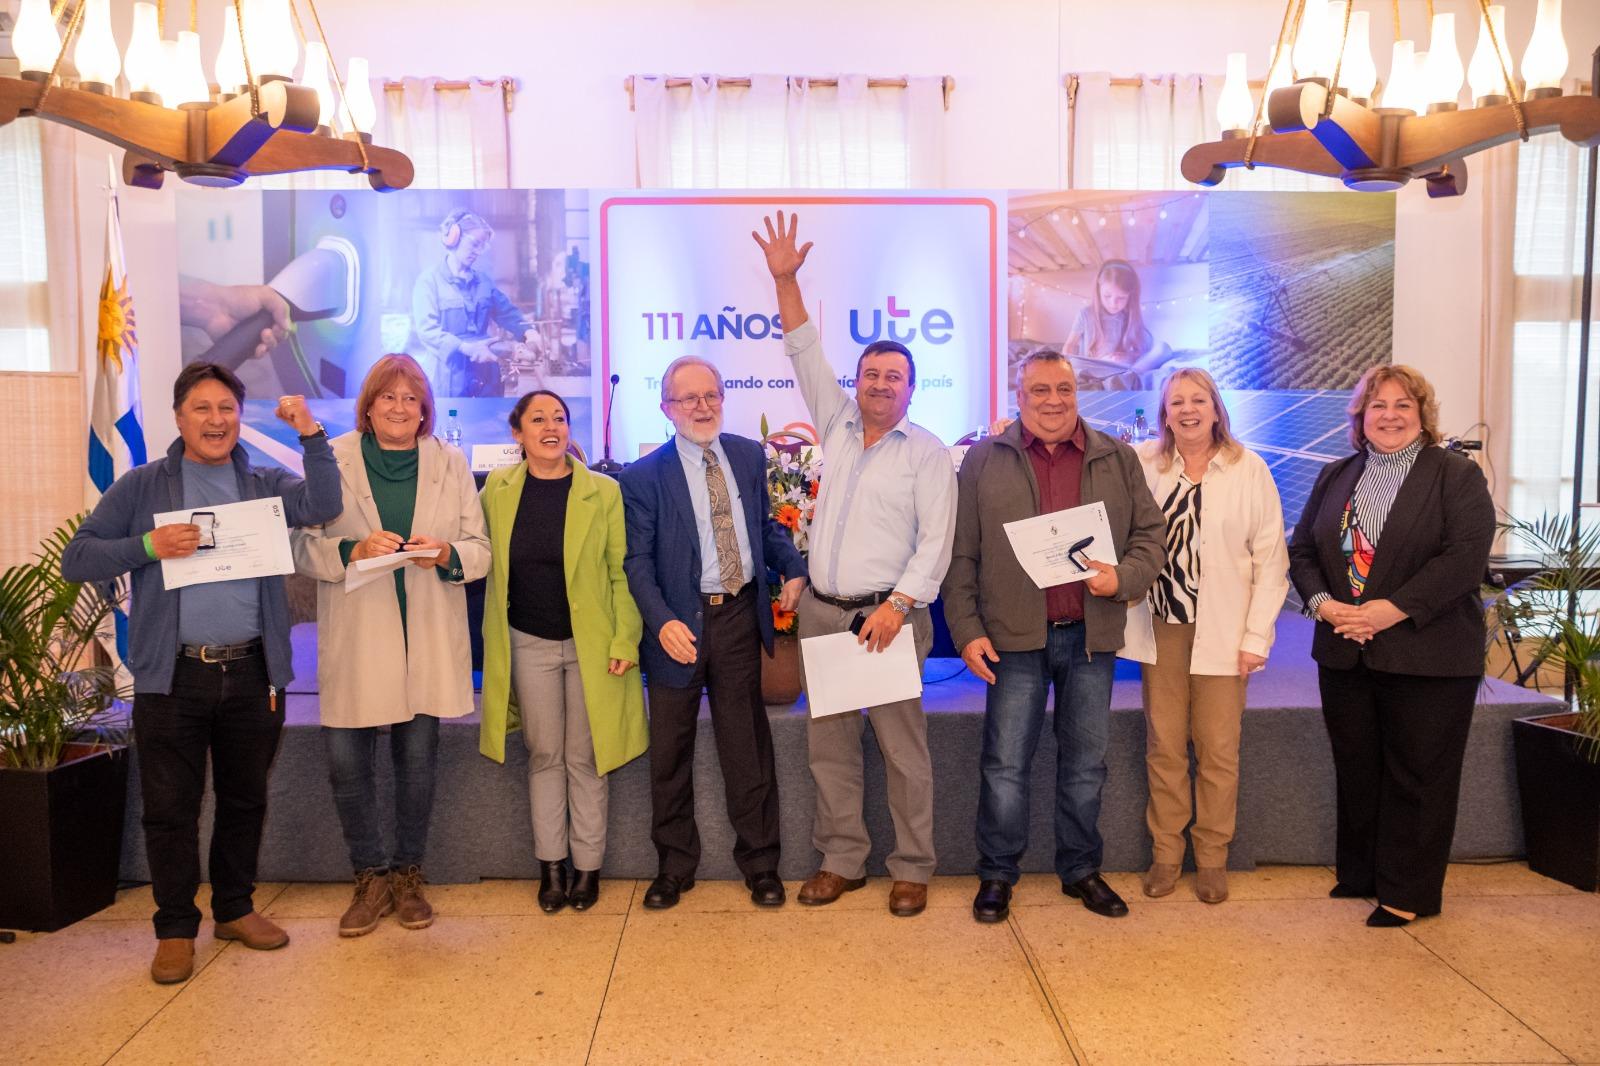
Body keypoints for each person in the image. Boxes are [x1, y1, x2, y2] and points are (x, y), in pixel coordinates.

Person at [61, 364, 340, 985]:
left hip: (251, 673)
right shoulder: (142, 486)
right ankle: (175, 929)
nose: (217, 421)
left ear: (238, 416)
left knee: (245, 799)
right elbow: (76, 558)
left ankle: (235, 910)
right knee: (169, 810)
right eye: (202, 409)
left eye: (227, 409)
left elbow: (324, 503)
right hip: (173, 679)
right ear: (179, 417)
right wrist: (148, 548)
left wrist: (311, 433)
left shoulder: (263, 482)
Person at [754, 212, 957, 918]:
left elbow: (936, 543)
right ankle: (842, 859)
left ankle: (912, 867)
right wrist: (786, 279)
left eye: (892, 376)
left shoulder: (927, 453)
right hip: (825, 615)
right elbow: (801, 345)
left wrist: (899, 608)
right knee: (830, 750)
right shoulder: (836, 423)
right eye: (869, 373)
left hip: (889, 618)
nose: (878, 384)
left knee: (903, 754)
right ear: (858, 380)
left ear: (910, 387)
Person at [941, 347, 1165, 924]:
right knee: (1004, 764)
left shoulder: (1116, 457)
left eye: (1063, 390)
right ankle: (996, 874)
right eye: (1039, 390)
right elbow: (962, 554)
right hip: (1013, 639)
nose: (1052, 401)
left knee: (1087, 763)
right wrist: (966, 631)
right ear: (1019, 398)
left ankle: (1082, 870)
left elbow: (1150, 536)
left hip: (1090, 638)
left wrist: (1125, 578)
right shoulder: (983, 460)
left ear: (1077, 393)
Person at [289, 354, 489, 937]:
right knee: (348, 764)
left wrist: (446, 553)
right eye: (389, 398)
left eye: (412, 399)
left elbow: (479, 549)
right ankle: (368, 876)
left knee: (417, 763)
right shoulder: (335, 459)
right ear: (369, 406)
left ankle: (407, 874)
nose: (401, 408)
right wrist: (352, 550)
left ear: (425, 408)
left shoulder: (448, 463)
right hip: (359, 633)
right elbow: (302, 549)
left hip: (424, 629)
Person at [1289, 365, 1495, 927]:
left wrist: (1389, 610)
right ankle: (1363, 872)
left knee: (1418, 774)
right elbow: (1302, 550)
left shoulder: (1455, 475)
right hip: (1344, 648)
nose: (1390, 415)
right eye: (1377, 405)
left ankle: (1408, 891)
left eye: (1403, 405)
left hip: (1428, 652)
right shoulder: (1337, 474)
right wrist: (1325, 607)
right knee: (1358, 766)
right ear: (1361, 417)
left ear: (1423, 415)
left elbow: (1463, 560)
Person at [619, 358, 808, 910]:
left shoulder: (749, 455)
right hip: (677, 625)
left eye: (712, 396)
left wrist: (791, 567)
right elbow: (636, 562)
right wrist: (662, 621)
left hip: (735, 618)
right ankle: (674, 868)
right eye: (689, 399)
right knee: (670, 752)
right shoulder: (643, 476)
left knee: (745, 746)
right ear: (666, 408)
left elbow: (765, 527)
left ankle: (761, 865)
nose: (703, 407)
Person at [1119, 368, 1289, 904]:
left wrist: (1256, 637)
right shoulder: (1144, 463)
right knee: (1165, 745)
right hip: (1161, 627)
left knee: (1217, 749)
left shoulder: (1248, 468)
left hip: (1224, 629)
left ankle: (1212, 857)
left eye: (1198, 400)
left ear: (1217, 408)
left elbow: (1271, 559)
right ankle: (1167, 854)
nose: (1187, 409)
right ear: (1164, 412)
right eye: (1176, 402)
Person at [480, 389, 648, 914]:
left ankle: (588, 869)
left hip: (593, 646)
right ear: (517, 433)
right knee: (545, 755)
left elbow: (623, 572)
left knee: (586, 758)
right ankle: (551, 868)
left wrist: (625, 639)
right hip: (527, 642)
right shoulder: (496, 491)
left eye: (559, 417)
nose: (551, 427)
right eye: (538, 419)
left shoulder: (603, 492)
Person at [411, 208, 540, 398]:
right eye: (474, 244)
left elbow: (507, 313)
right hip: (449, 376)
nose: (478, 252)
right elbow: (427, 331)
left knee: (488, 422)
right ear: (454, 237)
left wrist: (529, 332)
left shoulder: (483, 282)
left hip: (485, 375)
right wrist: (465, 347)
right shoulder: (429, 282)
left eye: (482, 247)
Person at [1061, 259, 1173, 389]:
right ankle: (1128, 376)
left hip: (1122, 368)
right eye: (1107, 296)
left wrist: (1128, 356)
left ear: (1130, 297)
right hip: (1094, 367)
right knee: (1073, 363)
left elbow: (1143, 351)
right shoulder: (1085, 314)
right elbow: (1069, 346)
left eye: (1121, 298)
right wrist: (1067, 369)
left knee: (1163, 347)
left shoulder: (1128, 317)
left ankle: (1129, 376)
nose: (1113, 303)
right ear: (1098, 290)